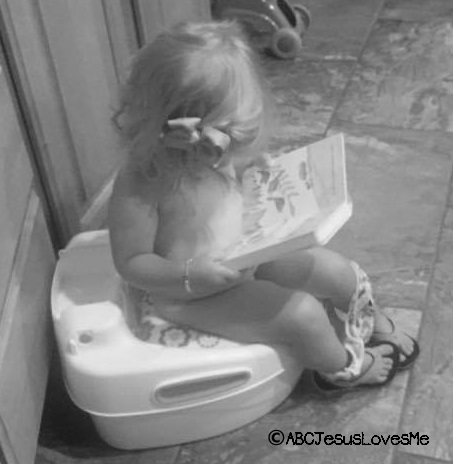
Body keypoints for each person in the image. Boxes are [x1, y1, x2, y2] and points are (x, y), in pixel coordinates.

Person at [108, 20, 419, 391]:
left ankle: (372, 323)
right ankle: (344, 370)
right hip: (193, 296)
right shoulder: (143, 180)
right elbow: (131, 263)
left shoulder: (212, 153)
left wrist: (250, 167)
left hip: (248, 254)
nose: (227, 150)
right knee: (303, 316)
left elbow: (225, 174)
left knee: (340, 272)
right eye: (229, 138)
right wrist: (189, 275)